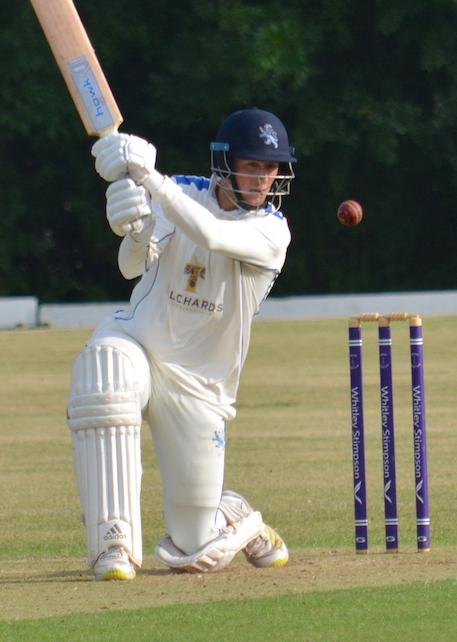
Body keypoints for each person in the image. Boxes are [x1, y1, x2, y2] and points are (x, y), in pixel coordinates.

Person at [67, 108, 298, 580]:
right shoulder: (181, 192)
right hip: (138, 342)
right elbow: (132, 267)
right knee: (103, 373)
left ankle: (232, 515)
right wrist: (134, 231)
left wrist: (148, 178)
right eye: (252, 165)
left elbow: (210, 234)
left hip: (200, 386)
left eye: (271, 167)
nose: (263, 178)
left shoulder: (272, 231)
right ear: (226, 163)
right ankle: (114, 544)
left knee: (193, 551)